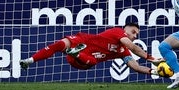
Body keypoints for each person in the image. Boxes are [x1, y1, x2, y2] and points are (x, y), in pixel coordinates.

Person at [19, 23, 162, 76]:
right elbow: (132, 47)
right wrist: (153, 59)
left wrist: (156, 72)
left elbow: (135, 67)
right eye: (133, 31)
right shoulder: (118, 32)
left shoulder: (121, 51)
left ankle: (77, 53)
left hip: (83, 61)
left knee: (93, 61)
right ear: (125, 29)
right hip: (83, 41)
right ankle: (29, 60)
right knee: (59, 44)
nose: (134, 35)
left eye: (136, 34)